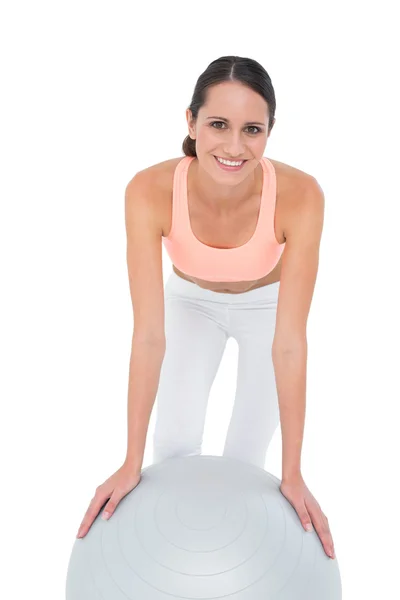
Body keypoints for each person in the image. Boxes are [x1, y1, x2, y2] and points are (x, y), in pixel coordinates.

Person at [76, 55, 335, 560]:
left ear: (268, 133)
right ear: (191, 122)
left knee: (246, 466)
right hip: (192, 303)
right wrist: (130, 460)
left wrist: (295, 472)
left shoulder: (301, 195)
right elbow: (149, 335)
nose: (235, 146)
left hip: (268, 307)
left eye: (252, 129)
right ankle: (178, 566)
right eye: (218, 124)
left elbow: (290, 342)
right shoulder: (148, 190)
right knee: (170, 452)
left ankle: (233, 572)